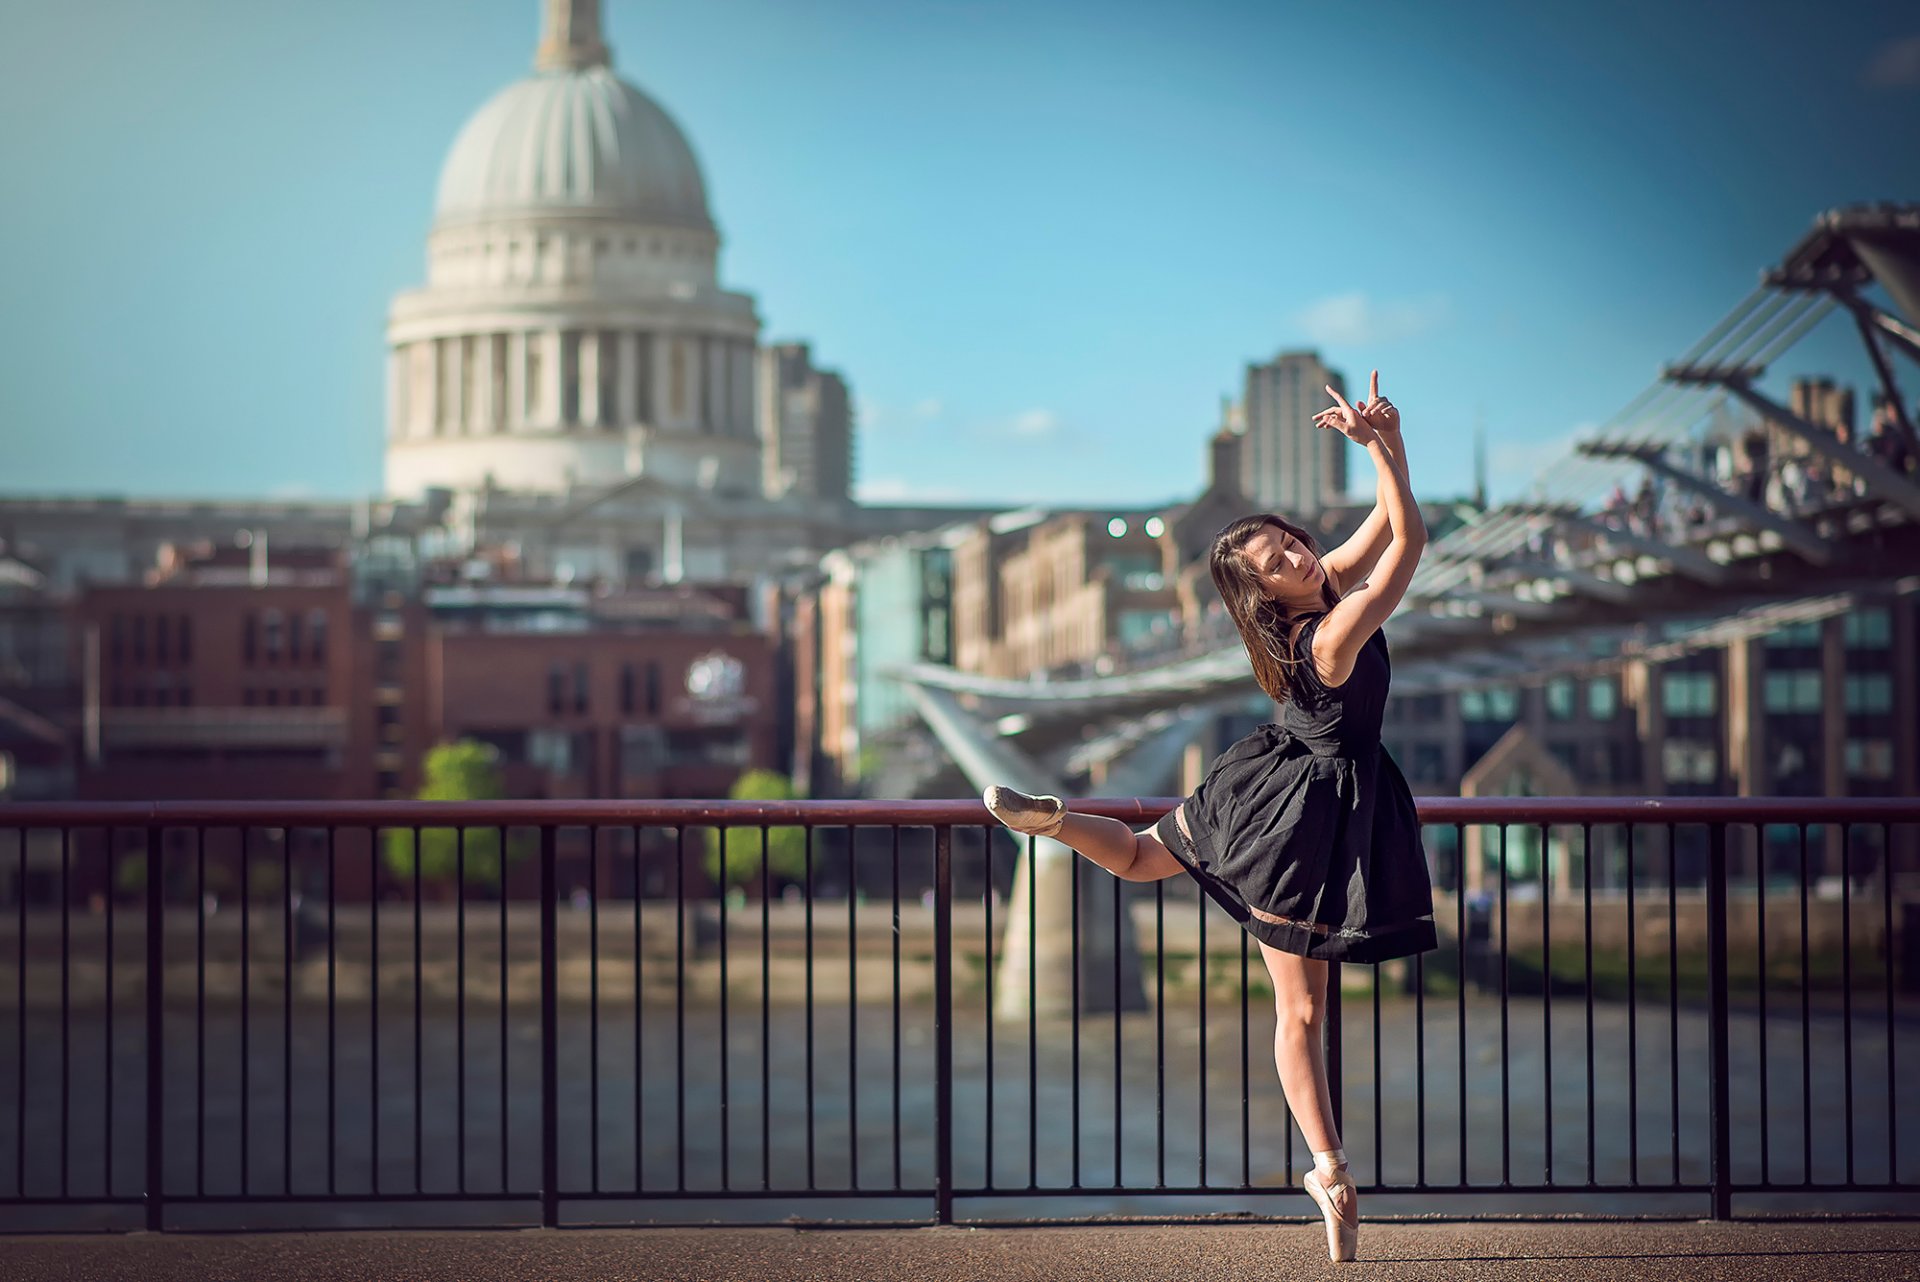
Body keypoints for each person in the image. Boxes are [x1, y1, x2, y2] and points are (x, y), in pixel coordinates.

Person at [980, 371, 1436, 1263]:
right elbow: (1410, 544)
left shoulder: (1315, 596)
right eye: (1277, 563)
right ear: (1267, 595)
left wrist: (1383, 442)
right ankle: (1329, 1173)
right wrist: (1387, 453)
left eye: (1293, 544)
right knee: (1299, 1015)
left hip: (1277, 785)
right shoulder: (1332, 633)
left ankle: (1055, 823)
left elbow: (1379, 529)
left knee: (1150, 860)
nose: (1300, 558)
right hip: (1310, 811)